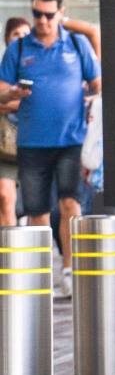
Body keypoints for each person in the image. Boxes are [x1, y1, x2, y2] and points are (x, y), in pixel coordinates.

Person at [0, 0, 102, 298]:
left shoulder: (76, 43)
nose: (41, 20)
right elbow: (1, 94)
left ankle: (71, 271)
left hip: (71, 140)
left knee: (70, 203)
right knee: (36, 209)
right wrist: (13, 94)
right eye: (36, 14)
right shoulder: (18, 49)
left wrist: (93, 106)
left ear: (60, 13)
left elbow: (97, 84)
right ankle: (41, 274)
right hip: (31, 142)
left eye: (48, 14)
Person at [0, 18, 29, 226]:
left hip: (35, 142)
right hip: (6, 144)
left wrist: (10, 101)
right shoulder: (4, 69)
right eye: (15, 35)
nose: (20, 39)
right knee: (5, 197)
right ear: (7, 40)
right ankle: (8, 256)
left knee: (39, 205)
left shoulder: (38, 65)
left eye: (25, 35)